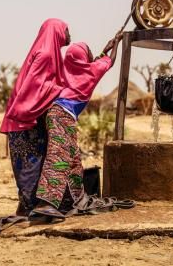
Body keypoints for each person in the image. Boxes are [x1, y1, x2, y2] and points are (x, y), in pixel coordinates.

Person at [30, 33, 123, 219]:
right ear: (84, 57)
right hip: (63, 116)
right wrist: (117, 44)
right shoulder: (91, 71)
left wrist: (105, 48)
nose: (90, 54)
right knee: (59, 156)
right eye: (88, 51)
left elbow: (95, 60)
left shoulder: (65, 68)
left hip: (54, 113)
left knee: (73, 159)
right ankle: (47, 203)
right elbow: (108, 62)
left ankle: (78, 199)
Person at [0, 18, 71, 216]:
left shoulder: (49, 54)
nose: (69, 35)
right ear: (56, 32)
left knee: (31, 166)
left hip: (27, 121)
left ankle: (26, 207)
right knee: (30, 167)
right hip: (25, 122)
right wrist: (59, 91)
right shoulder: (47, 54)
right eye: (67, 30)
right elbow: (32, 89)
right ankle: (31, 209)